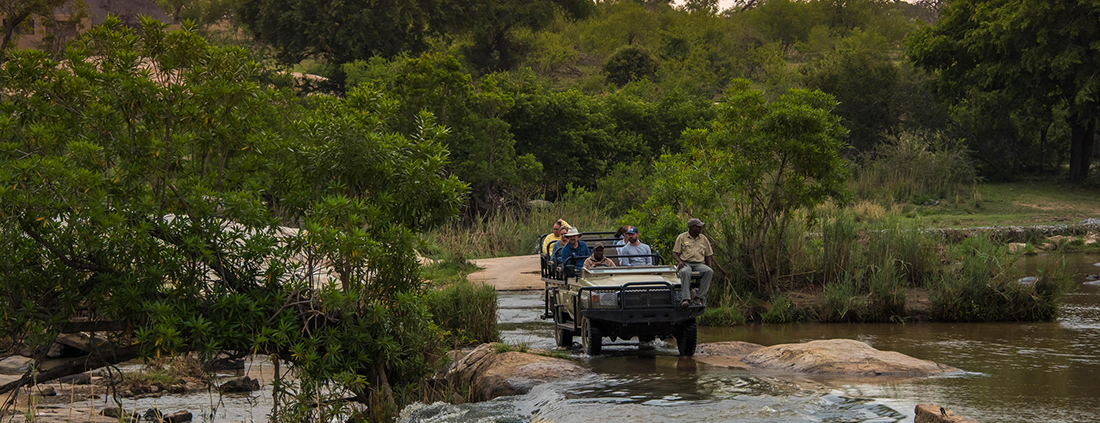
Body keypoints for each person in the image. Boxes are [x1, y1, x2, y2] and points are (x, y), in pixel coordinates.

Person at [672, 218, 713, 308]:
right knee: (685, 272)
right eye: (698, 227)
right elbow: (675, 253)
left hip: (699, 263)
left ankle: (699, 297)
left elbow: (708, 255)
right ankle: (686, 299)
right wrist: (680, 262)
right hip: (686, 262)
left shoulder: (703, 238)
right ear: (691, 227)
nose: (700, 228)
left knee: (709, 271)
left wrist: (709, 266)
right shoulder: (682, 237)